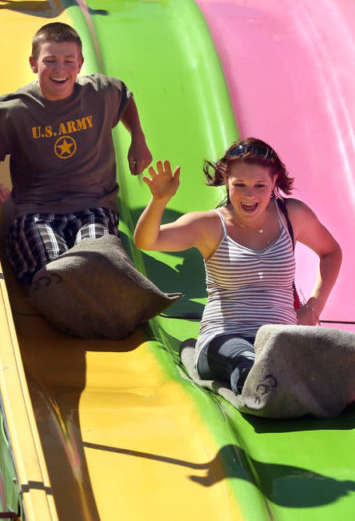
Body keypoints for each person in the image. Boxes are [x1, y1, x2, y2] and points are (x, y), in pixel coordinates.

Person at [134, 138, 342, 393]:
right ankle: (265, 383)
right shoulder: (210, 225)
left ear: (274, 183)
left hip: (279, 338)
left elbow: (331, 252)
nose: (249, 194)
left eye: (260, 185)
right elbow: (147, 241)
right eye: (240, 184)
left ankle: (285, 377)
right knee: (242, 358)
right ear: (226, 180)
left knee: (288, 353)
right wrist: (159, 200)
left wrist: (314, 306)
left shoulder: (293, 215)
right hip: (224, 339)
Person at [0, 21, 152, 282]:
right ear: (33, 63)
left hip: (93, 204)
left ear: (80, 64)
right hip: (36, 211)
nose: (60, 69)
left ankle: (99, 297)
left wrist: (138, 137)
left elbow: (123, 96)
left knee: (95, 258)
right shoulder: (12, 111)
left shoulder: (99, 93)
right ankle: (62, 295)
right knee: (54, 265)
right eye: (50, 61)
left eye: (69, 61)